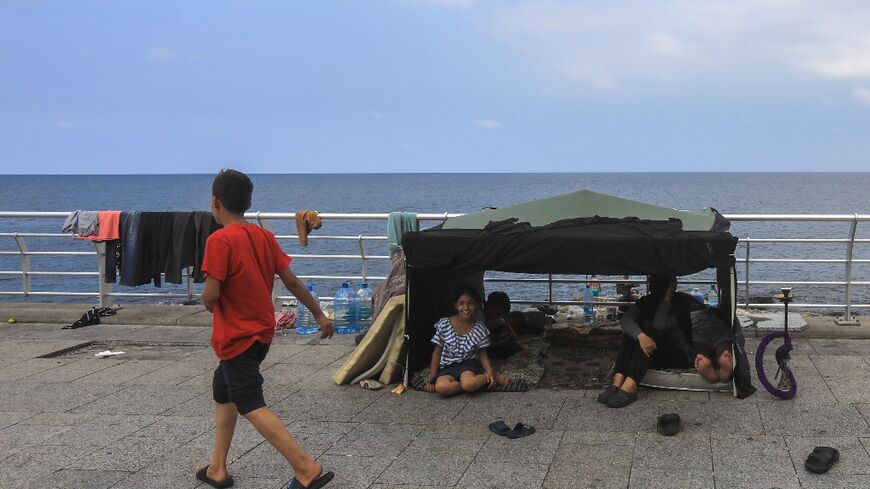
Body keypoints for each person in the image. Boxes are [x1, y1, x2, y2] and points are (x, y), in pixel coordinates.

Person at [197, 169, 335, 489]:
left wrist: (207, 299)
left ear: (215, 202)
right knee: (224, 389)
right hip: (262, 334)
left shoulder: (219, 240)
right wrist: (319, 316)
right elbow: (291, 282)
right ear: (248, 202)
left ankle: (305, 468)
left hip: (237, 337)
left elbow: (212, 295)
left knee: (250, 403)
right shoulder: (263, 236)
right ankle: (217, 467)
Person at [597, 275, 694, 408]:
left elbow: (660, 324)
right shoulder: (646, 301)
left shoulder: (680, 302)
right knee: (631, 335)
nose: (655, 286)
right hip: (654, 352)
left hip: (679, 355)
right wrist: (640, 336)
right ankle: (617, 382)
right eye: (653, 281)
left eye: (660, 282)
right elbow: (626, 320)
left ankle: (630, 387)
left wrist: (667, 298)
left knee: (651, 332)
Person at [424, 285, 509, 397]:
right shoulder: (444, 324)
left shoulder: (479, 328)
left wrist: (490, 372)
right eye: (461, 303)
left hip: (468, 365)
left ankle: (488, 376)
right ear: (456, 305)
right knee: (441, 388)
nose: (466, 307)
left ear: (477, 305)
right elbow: (437, 353)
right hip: (448, 367)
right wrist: (432, 378)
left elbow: (483, 355)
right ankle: (463, 386)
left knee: (470, 384)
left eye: (470, 303)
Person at [691, 305, 734, 383]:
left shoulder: (691, 313)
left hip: (698, 327)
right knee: (724, 345)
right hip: (719, 327)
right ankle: (721, 357)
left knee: (700, 347)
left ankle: (705, 358)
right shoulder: (715, 311)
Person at [482, 291, 523, 357]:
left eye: (501, 315)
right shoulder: (480, 317)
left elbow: (516, 339)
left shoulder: (495, 320)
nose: (499, 317)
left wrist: (506, 322)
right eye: (498, 314)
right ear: (489, 307)